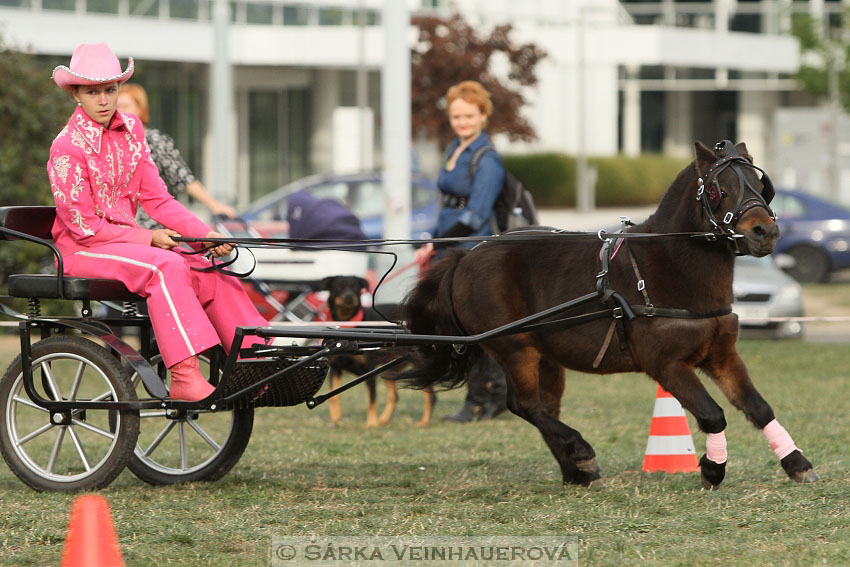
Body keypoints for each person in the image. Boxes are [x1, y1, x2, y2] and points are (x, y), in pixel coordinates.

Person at [48, 42, 271, 401]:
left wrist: (206, 235)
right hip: (82, 251)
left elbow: (158, 200)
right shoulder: (67, 147)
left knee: (207, 266)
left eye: (110, 89)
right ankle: (185, 377)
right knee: (166, 265)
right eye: (93, 92)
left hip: (127, 245)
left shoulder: (133, 131)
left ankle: (259, 361)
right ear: (76, 93)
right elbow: (83, 227)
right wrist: (148, 240)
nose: (104, 100)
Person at [415, 80, 508, 422]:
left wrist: (441, 241)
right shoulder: (455, 148)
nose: (462, 122)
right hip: (448, 247)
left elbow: (476, 214)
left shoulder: (488, 159)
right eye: (456, 116)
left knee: (473, 328)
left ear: (483, 116)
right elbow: (451, 206)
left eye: (469, 115)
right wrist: (432, 240)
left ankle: (485, 398)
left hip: (472, 252)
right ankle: (488, 395)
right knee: (458, 327)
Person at [116, 83, 236, 228]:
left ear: (141, 109)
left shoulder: (155, 140)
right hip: (121, 223)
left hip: (151, 223)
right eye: (117, 107)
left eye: (125, 106)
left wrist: (214, 205)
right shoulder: (113, 141)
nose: (119, 111)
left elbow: (183, 177)